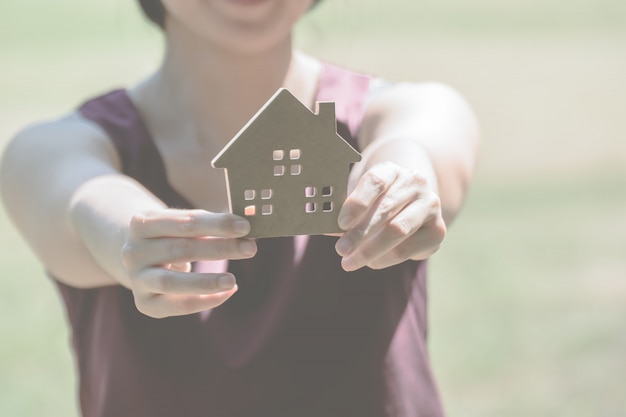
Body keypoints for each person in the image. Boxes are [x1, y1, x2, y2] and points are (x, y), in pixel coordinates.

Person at [0, 1, 479, 416]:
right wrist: (133, 236)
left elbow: (420, 145)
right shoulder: (58, 147)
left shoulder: (404, 110)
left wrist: (398, 183)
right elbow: (79, 198)